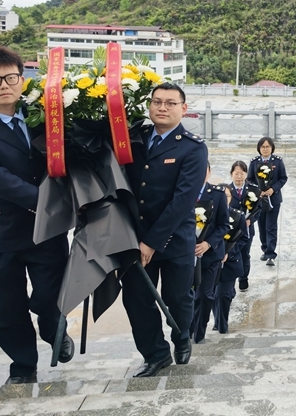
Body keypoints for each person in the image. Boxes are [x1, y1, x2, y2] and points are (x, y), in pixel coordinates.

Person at [0, 46, 73, 385]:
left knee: (52, 293)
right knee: (6, 305)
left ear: (22, 80)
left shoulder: (47, 116)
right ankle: (23, 365)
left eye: (10, 77)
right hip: (0, 229)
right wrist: (50, 202)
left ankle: (52, 326)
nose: (4, 85)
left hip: (46, 228)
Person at [122, 82, 208, 377]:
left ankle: (182, 336)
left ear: (183, 109)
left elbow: (182, 201)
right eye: (157, 102)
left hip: (174, 239)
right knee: (137, 299)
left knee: (177, 298)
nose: (162, 108)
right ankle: (155, 354)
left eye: (170, 103)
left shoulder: (193, 148)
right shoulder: (134, 138)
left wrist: (152, 242)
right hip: (134, 237)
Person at [190, 166, 229, 344]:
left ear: (209, 172)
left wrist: (207, 243)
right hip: (186, 253)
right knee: (185, 296)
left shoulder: (217, 194)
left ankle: (199, 334)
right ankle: (186, 330)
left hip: (210, 254)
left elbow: (223, 225)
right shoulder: (183, 191)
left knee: (205, 295)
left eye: (204, 170)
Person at [213, 186, 250, 334]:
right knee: (212, 294)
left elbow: (244, 239)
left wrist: (229, 252)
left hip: (230, 262)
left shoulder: (238, 216)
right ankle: (217, 320)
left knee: (223, 295)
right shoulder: (209, 215)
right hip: (212, 262)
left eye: (227, 196)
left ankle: (222, 325)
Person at [247, 137, 288, 266]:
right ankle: (265, 248)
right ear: (259, 148)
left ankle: (271, 253)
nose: (265, 149)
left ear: (272, 148)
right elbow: (249, 179)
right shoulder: (254, 162)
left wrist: (273, 189)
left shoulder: (278, 161)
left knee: (271, 226)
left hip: (273, 199)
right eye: (263, 147)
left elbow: (283, 178)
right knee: (262, 225)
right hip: (259, 200)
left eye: (267, 147)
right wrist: (258, 190)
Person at [229, 161, 255, 291]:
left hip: (247, 229)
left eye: (242, 173)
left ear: (246, 174)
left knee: (245, 254)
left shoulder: (252, 190)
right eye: (236, 173)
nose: (239, 177)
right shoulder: (226, 191)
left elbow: (259, 209)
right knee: (231, 253)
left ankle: (243, 278)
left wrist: (251, 219)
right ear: (231, 174)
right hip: (231, 230)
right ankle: (230, 280)